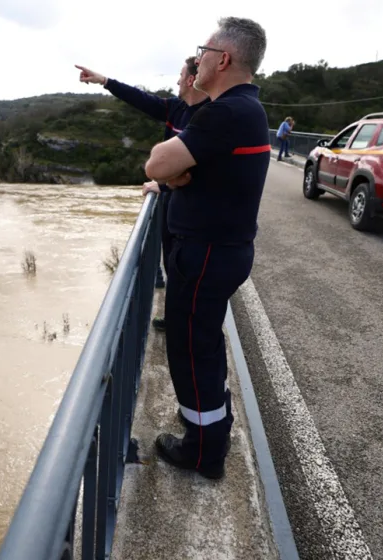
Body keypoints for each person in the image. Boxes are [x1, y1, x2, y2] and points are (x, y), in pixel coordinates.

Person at [141, 16, 270, 479]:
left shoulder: (226, 113)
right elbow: (176, 172)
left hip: (208, 252)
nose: (198, 59)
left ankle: (203, 452)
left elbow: (157, 163)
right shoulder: (244, 109)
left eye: (204, 50)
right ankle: (212, 423)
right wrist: (175, 176)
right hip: (220, 251)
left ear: (224, 58)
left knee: (192, 349)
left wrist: (170, 173)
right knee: (204, 344)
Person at [76, 59, 209, 331]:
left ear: (190, 80)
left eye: (180, 75)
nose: (176, 81)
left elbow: (200, 171)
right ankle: (176, 318)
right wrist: (105, 81)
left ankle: (191, 325)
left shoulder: (208, 115)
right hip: (172, 202)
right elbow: (141, 99)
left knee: (188, 270)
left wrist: (165, 184)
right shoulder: (177, 108)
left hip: (193, 210)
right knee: (172, 262)